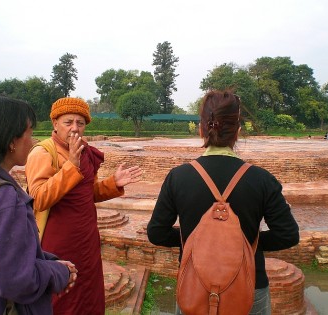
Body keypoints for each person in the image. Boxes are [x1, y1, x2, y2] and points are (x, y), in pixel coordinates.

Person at [147, 90, 300, 315]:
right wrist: (242, 243)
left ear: (201, 129)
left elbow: (157, 233)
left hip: (195, 285)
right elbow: (288, 235)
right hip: (249, 287)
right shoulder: (261, 179)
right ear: (237, 132)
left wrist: (197, 239)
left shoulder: (178, 177)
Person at [0, 96, 77, 315]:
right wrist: (58, 273)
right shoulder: (5, 198)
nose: (32, 142)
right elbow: (17, 281)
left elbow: (4, 255)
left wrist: (50, 261)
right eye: (29, 134)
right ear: (11, 141)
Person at [25, 97, 142, 315]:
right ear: (55, 123)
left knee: (89, 295)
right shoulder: (43, 153)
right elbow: (39, 198)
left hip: (86, 240)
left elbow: (86, 194)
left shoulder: (85, 151)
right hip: (58, 242)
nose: (75, 128)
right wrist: (71, 165)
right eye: (68, 122)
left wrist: (112, 184)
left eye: (80, 123)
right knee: (61, 299)